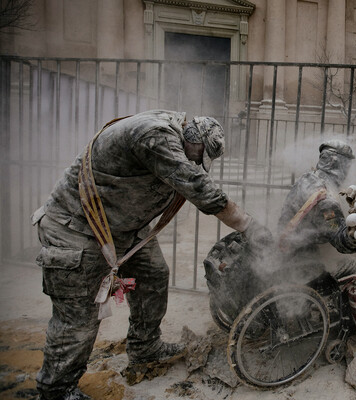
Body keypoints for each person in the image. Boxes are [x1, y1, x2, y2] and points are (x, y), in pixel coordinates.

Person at [30, 110, 271, 400]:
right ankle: (56, 390)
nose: (195, 163)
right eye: (197, 157)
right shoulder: (154, 135)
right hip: (77, 229)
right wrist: (249, 225)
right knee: (78, 317)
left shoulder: (174, 138)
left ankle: (145, 348)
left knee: (154, 275)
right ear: (189, 139)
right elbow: (195, 184)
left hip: (123, 230)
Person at [276, 140, 356, 282]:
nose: (347, 171)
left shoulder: (308, 178)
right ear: (336, 163)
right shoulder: (325, 198)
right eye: (346, 165)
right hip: (300, 261)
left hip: (288, 249)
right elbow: (340, 239)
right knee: (350, 268)